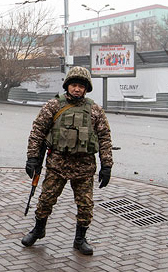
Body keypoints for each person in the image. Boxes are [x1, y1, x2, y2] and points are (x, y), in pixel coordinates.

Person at [21, 66, 113, 255]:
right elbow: (37, 132)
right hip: (57, 164)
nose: (77, 89)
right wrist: (32, 158)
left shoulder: (95, 110)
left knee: (85, 206)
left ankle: (80, 239)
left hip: (84, 167)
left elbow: (104, 137)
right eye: (74, 85)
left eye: (81, 86)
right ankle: (38, 229)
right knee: (45, 200)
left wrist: (107, 165)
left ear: (86, 89)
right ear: (67, 86)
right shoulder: (53, 106)